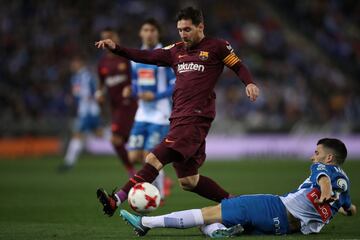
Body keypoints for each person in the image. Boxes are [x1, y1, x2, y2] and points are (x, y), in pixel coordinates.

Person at [95, 7, 260, 216]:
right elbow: (146, 56)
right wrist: (117, 48)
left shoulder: (218, 47)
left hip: (195, 117)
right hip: (178, 117)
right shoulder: (176, 50)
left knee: (153, 159)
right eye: (180, 30)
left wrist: (249, 83)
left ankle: (115, 200)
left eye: (188, 29)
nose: (183, 34)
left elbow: (238, 66)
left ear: (201, 27)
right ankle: (234, 202)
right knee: (189, 181)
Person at [120, 138, 357, 237]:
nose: (312, 158)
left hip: (274, 207)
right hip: (285, 227)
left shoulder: (323, 171)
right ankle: (216, 233)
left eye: (317, 154)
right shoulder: (344, 183)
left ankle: (145, 224)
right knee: (215, 222)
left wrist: (324, 191)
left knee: (210, 212)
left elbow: (322, 178)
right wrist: (347, 208)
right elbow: (347, 204)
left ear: (328, 159)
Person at [128, 19, 175, 199]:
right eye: (145, 30)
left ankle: (159, 194)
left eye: (152, 30)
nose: (149, 33)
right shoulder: (136, 58)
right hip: (142, 113)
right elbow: (134, 82)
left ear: (158, 33)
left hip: (160, 114)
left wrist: (155, 96)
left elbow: (175, 84)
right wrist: (130, 90)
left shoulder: (166, 55)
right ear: (141, 33)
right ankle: (160, 179)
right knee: (133, 157)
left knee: (150, 156)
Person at [96, 28, 138, 177]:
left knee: (115, 139)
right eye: (103, 38)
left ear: (116, 39)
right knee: (133, 147)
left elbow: (137, 78)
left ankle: (132, 172)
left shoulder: (125, 58)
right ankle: (156, 175)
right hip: (115, 107)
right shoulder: (102, 63)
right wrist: (99, 94)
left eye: (109, 37)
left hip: (128, 104)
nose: (106, 40)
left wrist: (132, 88)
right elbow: (101, 84)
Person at [59, 56, 102, 171]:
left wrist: (93, 98)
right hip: (84, 111)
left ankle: (69, 163)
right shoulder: (75, 78)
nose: (72, 66)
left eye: (74, 63)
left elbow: (96, 91)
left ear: (80, 63)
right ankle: (69, 162)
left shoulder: (88, 76)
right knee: (99, 134)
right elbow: (77, 94)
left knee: (78, 135)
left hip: (89, 111)